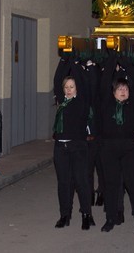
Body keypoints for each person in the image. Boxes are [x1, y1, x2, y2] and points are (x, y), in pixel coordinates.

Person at [97, 51, 134, 234]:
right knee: (111, 184)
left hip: (130, 148)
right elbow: (104, 82)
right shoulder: (106, 103)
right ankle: (111, 218)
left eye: (125, 89)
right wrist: (112, 58)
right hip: (109, 148)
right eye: (119, 89)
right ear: (113, 92)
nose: (123, 91)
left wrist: (126, 63)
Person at [51, 57, 95, 230]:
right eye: (66, 87)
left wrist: (75, 64)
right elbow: (56, 80)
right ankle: (64, 215)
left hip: (78, 146)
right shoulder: (62, 102)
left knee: (81, 181)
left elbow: (83, 85)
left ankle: (86, 214)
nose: (68, 90)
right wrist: (64, 60)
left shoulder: (81, 101)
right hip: (61, 147)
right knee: (63, 182)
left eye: (71, 87)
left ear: (77, 89)